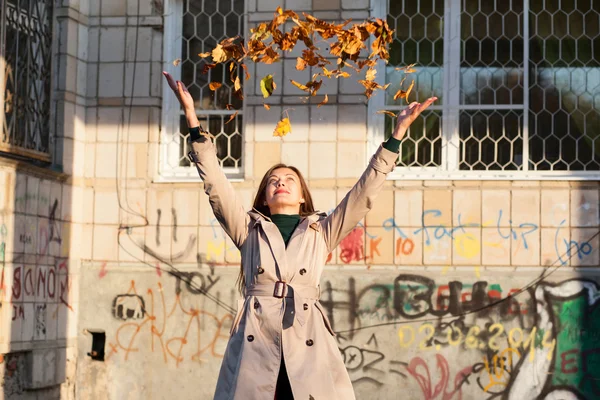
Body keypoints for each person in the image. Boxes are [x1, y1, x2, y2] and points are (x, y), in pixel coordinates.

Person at [163, 71, 436, 400]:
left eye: (289, 179)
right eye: (273, 180)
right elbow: (217, 187)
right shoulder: (248, 229)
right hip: (257, 339)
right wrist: (192, 117)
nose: (280, 182)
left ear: (302, 196)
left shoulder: (322, 230)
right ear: (264, 196)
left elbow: (363, 195)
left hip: (306, 336)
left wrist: (397, 134)